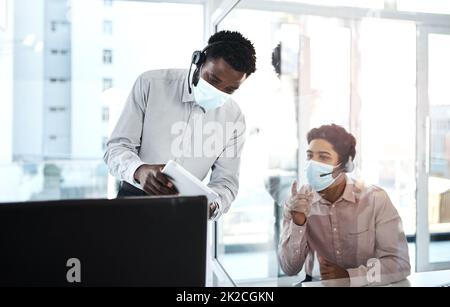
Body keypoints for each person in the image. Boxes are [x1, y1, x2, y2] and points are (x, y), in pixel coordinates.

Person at [104, 30, 257, 220]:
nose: (219, 91)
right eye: (213, 80)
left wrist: (212, 205)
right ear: (198, 61)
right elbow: (115, 149)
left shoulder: (234, 117)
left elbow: (226, 181)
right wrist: (139, 171)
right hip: (134, 202)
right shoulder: (151, 84)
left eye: (230, 89)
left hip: (187, 213)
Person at [278, 124, 410, 286]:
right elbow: (289, 268)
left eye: (324, 157)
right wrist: (298, 223)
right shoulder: (296, 203)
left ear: (345, 165)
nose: (313, 164)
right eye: (310, 156)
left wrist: (350, 277)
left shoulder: (376, 199)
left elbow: (400, 263)